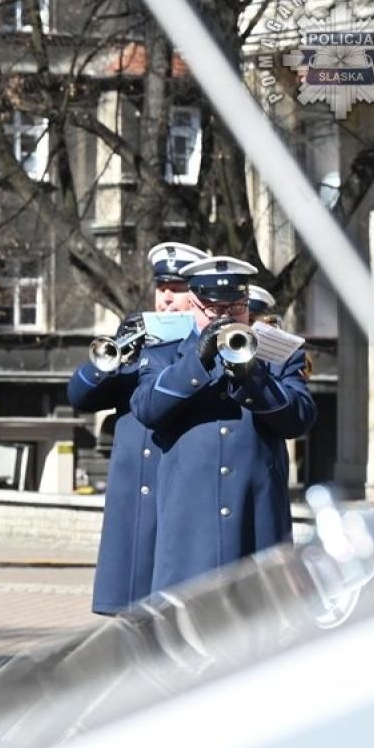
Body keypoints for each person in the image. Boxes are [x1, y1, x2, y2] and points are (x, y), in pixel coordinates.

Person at [131, 256, 316, 593]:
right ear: (193, 304)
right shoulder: (165, 352)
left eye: (234, 308)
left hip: (256, 522)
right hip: (188, 527)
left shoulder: (278, 353)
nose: (223, 318)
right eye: (212, 310)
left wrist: (254, 379)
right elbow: (146, 409)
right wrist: (195, 363)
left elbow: (299, 419)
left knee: (261, 627)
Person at [69, 241, 204, 615]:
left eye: (177, 291)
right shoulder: (141, 343)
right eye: (162, 290)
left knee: (174, 608)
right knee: (128, 610)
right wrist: (115, 350)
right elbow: (81, 395)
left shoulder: (203, 349)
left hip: (174, 487)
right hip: (133, 493)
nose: (166, 300)